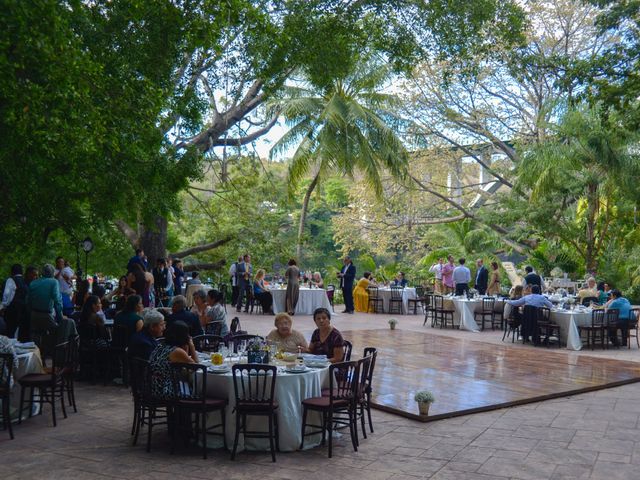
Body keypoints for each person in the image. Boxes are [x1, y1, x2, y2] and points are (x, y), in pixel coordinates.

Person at [26, 264, 77, 344]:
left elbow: (28, 301)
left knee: (35, 337)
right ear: (53, 273)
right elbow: (58, 301)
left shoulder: (33, 283)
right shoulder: (54, 282)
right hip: (46, 315)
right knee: (56, 333)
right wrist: (60, 317)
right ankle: (49, 354)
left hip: (33, 315)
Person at [148, 321, 198, 399]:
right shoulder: (177, 351)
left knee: (186, 383)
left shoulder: (161, 345)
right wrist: (192, 345)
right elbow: (196, 367)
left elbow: (185, 364)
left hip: (150, 386)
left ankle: (177, 411)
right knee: (196, 392)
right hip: (163, 389)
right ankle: (184, 410)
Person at [1, 264, 28, 338]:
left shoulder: (10, 280)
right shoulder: (25, 281)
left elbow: (7, 296)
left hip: (12, 310)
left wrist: (2, 308)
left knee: (10, 332)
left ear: (12, 272)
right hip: (23, 311)